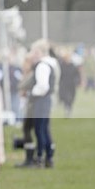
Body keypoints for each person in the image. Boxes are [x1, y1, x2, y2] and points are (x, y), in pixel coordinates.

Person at [28, 39, 58, 168]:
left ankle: (40, 156)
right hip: (46, 100)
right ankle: (48, 157)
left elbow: (42, 86)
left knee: (39, 130)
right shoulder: (50, 64)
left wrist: (32, 93)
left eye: (35, 52)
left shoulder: (42, 66)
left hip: (41, 100)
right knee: (44, 129)